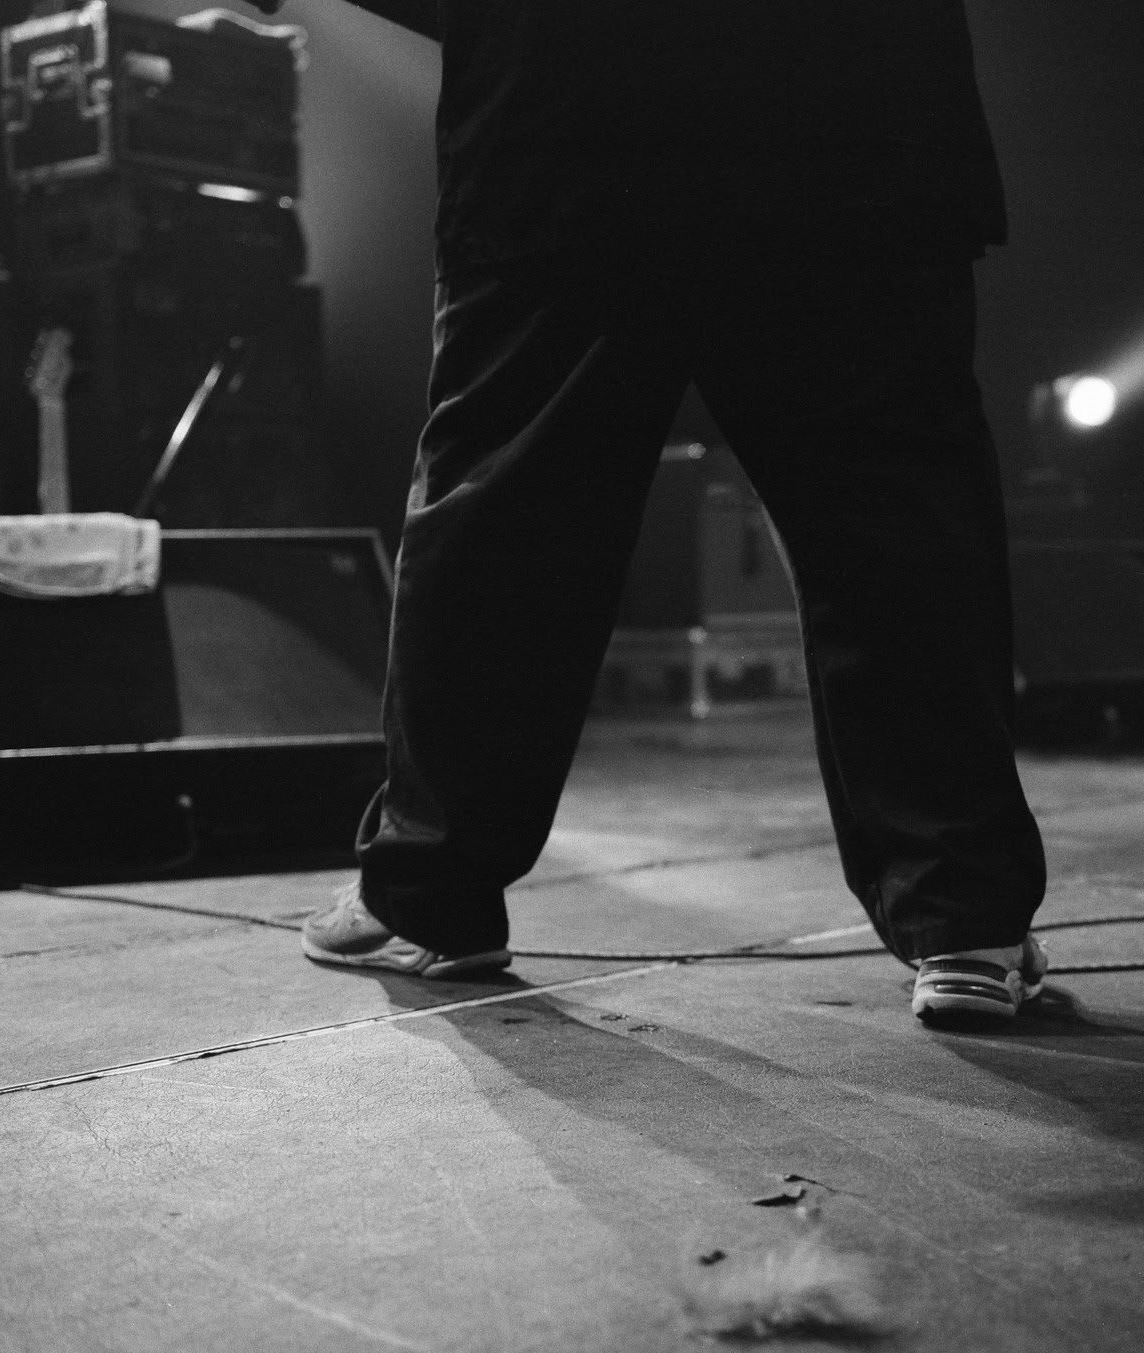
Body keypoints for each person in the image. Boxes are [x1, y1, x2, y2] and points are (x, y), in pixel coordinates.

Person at [298, 0, 1049, 1026]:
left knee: (508, 522)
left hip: (574, 114)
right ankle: (966, 921)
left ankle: (433, 893)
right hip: (854, 113)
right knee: (893, 518)